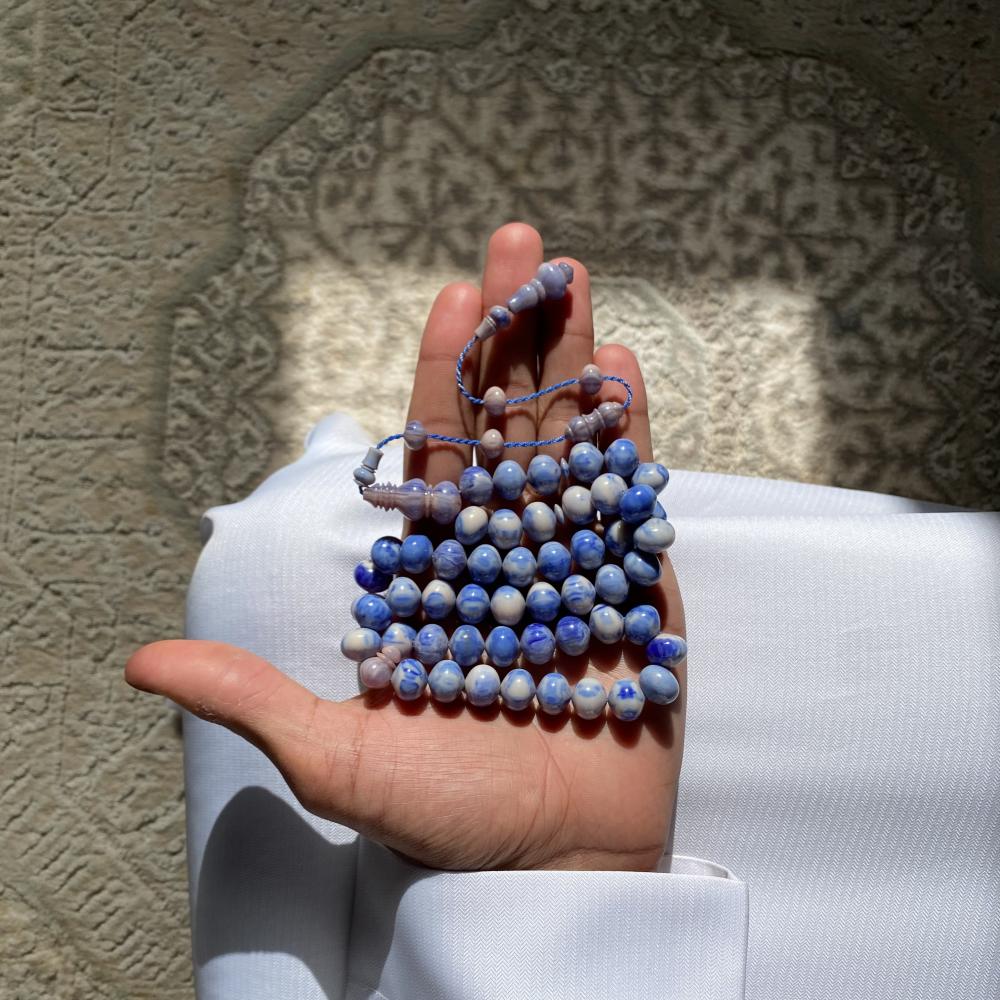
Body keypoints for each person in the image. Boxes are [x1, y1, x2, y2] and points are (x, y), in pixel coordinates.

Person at [126, 224, 1000, 1000]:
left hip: (577, 775)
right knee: (303, 539)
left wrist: (558, 879)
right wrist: (572, 879)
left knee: (284, 544)